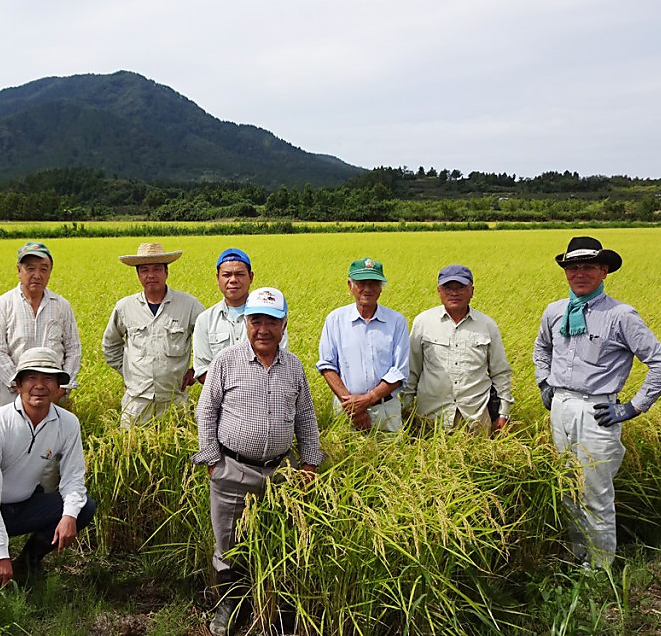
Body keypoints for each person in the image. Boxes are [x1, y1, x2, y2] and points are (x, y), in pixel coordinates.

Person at [534, 236, 661, 569]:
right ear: (566, 272)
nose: (579, 273)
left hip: (598, 411)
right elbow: (542, 349)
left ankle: (599, 570)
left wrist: (633, 406)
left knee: (595, 494)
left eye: (588, 267)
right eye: (573, 267)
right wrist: (544, 383)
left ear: (603, 271)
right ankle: (577, 556)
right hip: (561, 407)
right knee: (568, 490)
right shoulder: (555, 311)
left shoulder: (620, 315)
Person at [194, 287, 323, 636]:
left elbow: (306, 418)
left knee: (277, 542)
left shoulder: (293, 366)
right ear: (245, 323)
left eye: (271, 321)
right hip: (232, 468)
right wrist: (212, 460)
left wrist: (309, 462)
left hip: (281, 474)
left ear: (284, 325)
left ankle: (274, 609)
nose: (263, 329)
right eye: (255, 320)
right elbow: (206, 410)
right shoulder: (226, 361)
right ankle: (230, 607)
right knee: (228, 542)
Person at [0, 347, 96, 586]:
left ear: (59, 386)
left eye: (48, 378)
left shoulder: (68, 424)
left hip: (22, 504)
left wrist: (69, 515)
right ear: (18, 385)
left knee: (84, 507)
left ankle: (28, 561)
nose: (39, 385)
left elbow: (73, 476)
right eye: (31, 378)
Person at [401, 264, 514, 436]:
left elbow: (500, 372)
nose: (454, 293)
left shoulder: (487, 325)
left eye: (460, 287)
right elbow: (412, 369)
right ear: (439, 291)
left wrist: (503, 413)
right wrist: (407, 408)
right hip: (430, 418)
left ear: (472, 291)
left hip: (474, 418)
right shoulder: (423, 322)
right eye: (448, 288)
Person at [102, 242, 204, 428]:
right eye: (144, 270)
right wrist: (128, 373)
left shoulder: (189, 305)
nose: (151, 275)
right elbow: (110, 344)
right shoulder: (125, 307)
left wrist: (196, 372)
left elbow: (208, 340)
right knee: (132, 450)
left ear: (166, 272)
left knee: (176, 453)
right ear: (138, 275)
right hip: (136, 402)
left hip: (174, 400)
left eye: (157, 269)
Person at [316, 257, 409, 432]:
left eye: (374, 283)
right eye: (361, 283)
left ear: (381, 288)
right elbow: (327, 365)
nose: (367, 289)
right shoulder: (335, 320)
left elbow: (400, 370)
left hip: (386, 410)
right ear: (350, 285)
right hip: (345, 409)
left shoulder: (397, 321)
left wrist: (369, 398)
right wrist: (353, 408)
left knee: (388, 456)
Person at [0, 241, 81, 407]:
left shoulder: (61, 306)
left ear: (50, 272)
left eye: (43, 269)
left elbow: (73, 349)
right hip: (12, 395)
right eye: (30, 268)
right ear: (18, 271)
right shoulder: (3, 305)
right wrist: (19, 385)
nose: (37, 275)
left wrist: (63, 388)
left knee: (55, 432)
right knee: (13, 432)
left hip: (54, 395)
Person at [192, 247, 287, 383]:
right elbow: (202, 369)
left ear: (251, 277)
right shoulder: (205, 320)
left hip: (265, 395)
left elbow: (279, 361)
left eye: (240, 274)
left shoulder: (271, 315)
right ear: (217, 278)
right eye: (226, 275)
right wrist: (235, 390)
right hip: (220, 402)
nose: (233, 280)